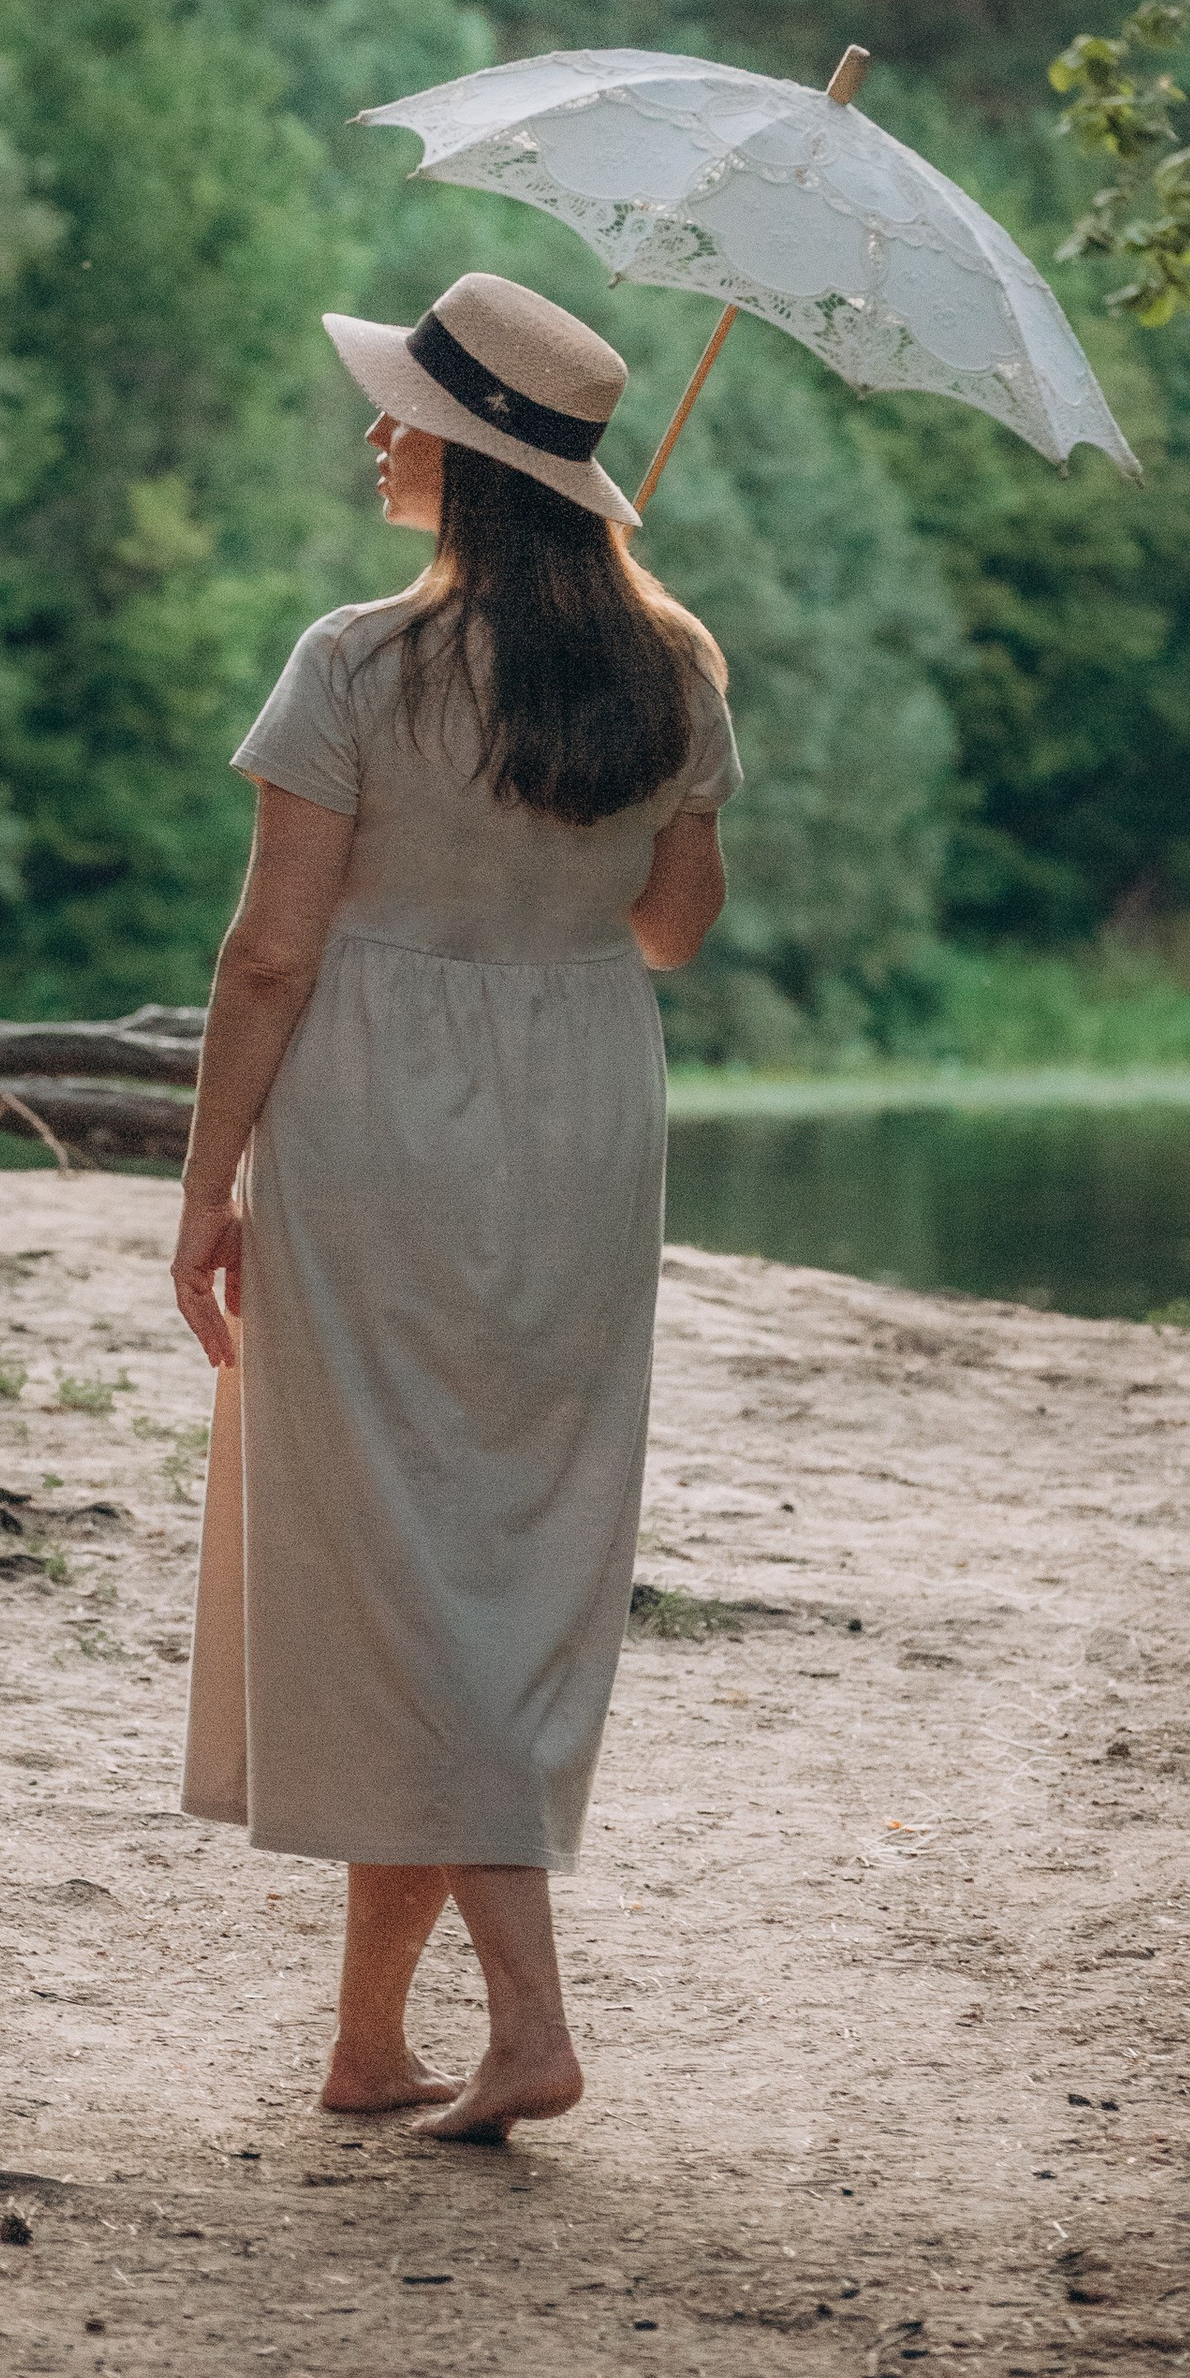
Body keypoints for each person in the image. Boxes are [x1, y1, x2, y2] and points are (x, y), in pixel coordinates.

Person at [169, 268, 739, 2145]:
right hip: (583, 1114)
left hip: (378, 1116)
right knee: (486, 1547)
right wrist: (631, 786)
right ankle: (363, 2040)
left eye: (402, 409)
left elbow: (268, 959)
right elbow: (669, 933)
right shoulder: (677, 669)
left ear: (470, 461)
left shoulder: (354, 664)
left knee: (404, 1555)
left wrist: (204, 1190)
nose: (374, 432)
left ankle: (530, 2020)